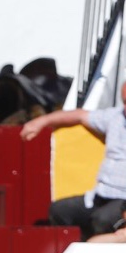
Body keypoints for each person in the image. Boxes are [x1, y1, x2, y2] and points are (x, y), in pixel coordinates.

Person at [20, 81, 126, 240]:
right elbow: (79, 115)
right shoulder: (115, 117)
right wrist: (41, 122)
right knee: (59, 211)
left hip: (123, 200)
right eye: (125, 101)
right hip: (100, 195)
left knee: (101, 220)